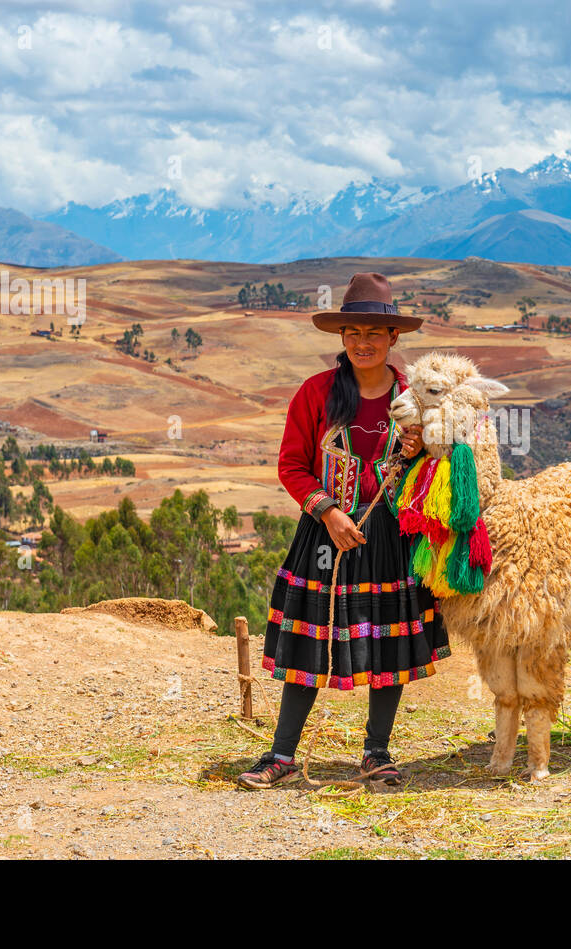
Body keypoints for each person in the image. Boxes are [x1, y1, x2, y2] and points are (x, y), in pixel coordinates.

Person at [237, 272, 449, 789]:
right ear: (341, 338)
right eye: (352, 332)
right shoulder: (315, 394)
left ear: (394, 338)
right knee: (309, 643)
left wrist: (426, 451)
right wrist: (329, 513)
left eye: (374, 333)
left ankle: (377, 752)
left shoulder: (415, 400)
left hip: (392, 539)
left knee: (387, 642)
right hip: (324, 535)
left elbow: (444, 472)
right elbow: (292, 466)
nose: (362, 343)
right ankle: (283, 754)